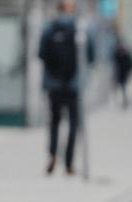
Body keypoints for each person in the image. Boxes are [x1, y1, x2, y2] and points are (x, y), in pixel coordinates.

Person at [38, 0, 95, 176]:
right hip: (74, 85)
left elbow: (41, 54)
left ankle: (53, 154)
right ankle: (69, 163)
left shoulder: (49, 28)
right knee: (73, 123)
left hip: (54, 84)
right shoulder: (82, 28)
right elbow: (91, 56)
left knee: (54, 122)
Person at [112, 36, 132, 108]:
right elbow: (115, 63)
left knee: (124, 88)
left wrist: (130, 71)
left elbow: (131, 64)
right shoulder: (117, 54)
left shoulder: (126, 54)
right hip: (119, 73)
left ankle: (125, 101)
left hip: (125, 74)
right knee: (120, 88)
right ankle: (120, 101)